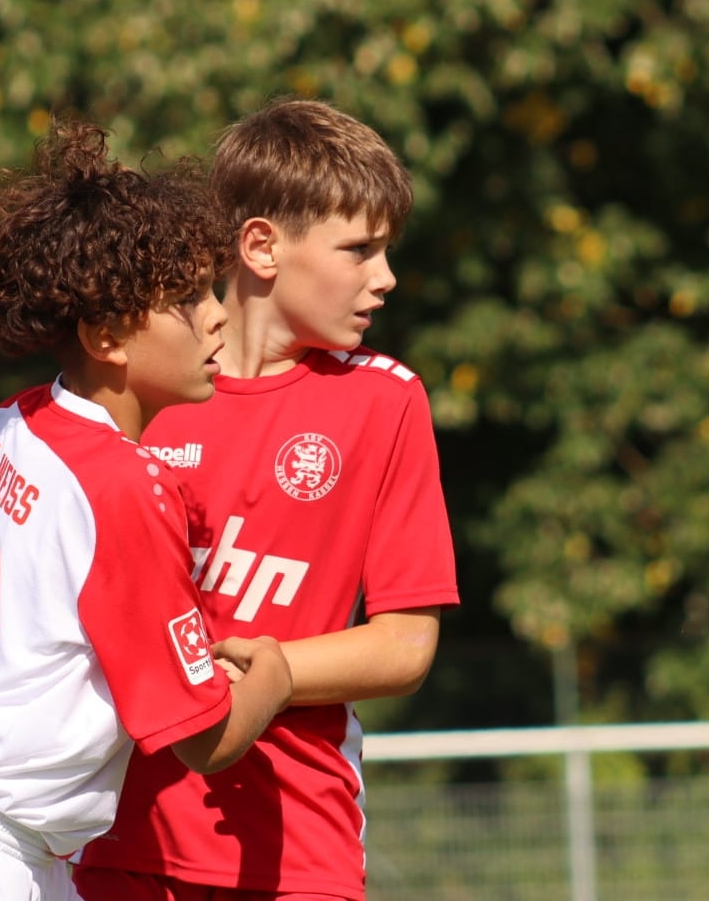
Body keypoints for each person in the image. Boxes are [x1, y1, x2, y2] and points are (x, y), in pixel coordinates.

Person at [0, 118, 294, 900]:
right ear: (107, 335)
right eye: (189, 298)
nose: (219, 314)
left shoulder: (14, 425)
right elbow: (206, 740)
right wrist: (275, 676)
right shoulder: (126, 484)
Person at [72, 99, 460, 901]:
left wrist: (271, 676)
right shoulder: (144, 393)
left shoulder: (385, 401)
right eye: (359, 250)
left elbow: (405, 646)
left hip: (299, 850)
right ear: (261, 247)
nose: (385, 277)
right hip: (119, 836)